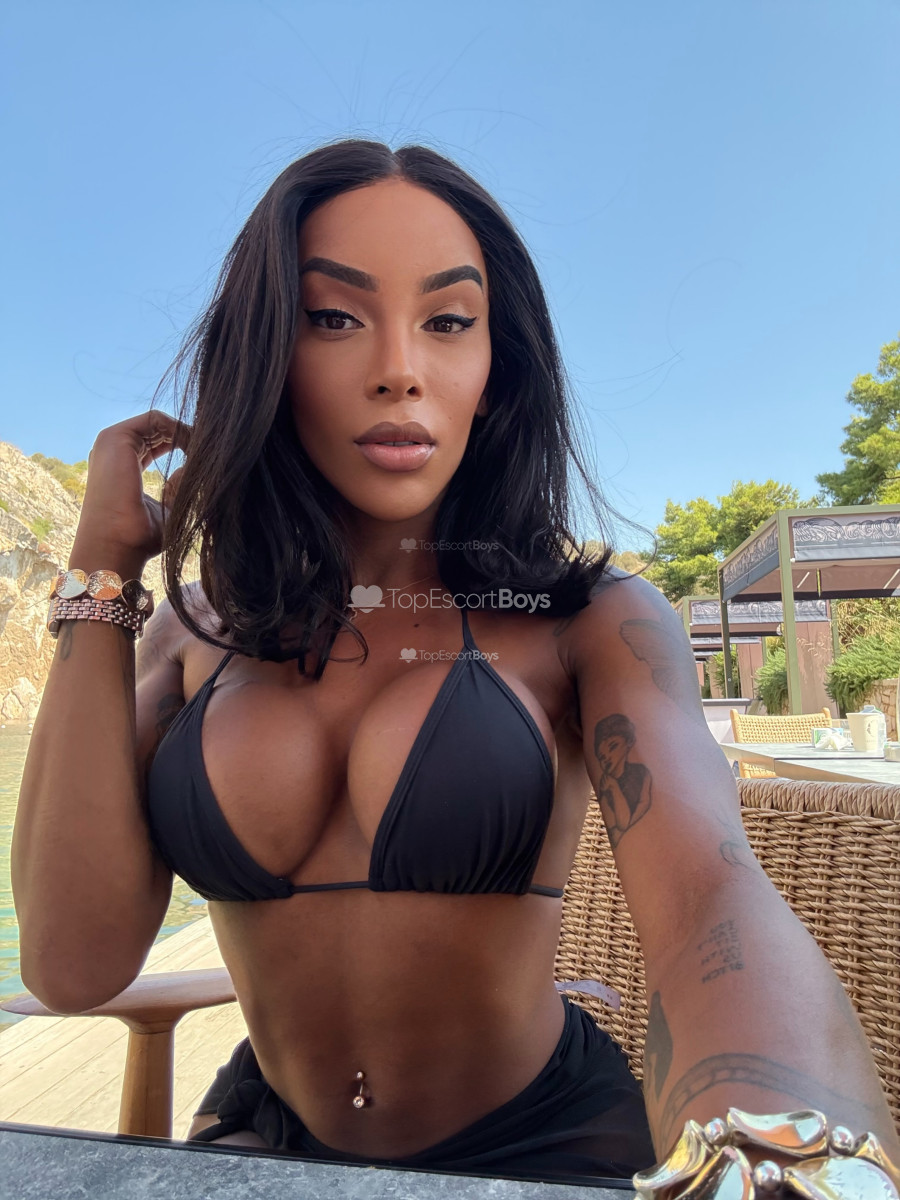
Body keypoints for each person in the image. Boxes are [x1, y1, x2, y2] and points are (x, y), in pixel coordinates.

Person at [12, 140, 899, 1188]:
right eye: (332, 317)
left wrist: (783, 1155)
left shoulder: (590, 618)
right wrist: (102, 575)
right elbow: (72, 965)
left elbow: (712, 894)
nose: (400, 367)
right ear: (265, 357)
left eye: (447, 320)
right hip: (271, 1133)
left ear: (494, 372)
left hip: (545, 1144)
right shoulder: (191, 633)